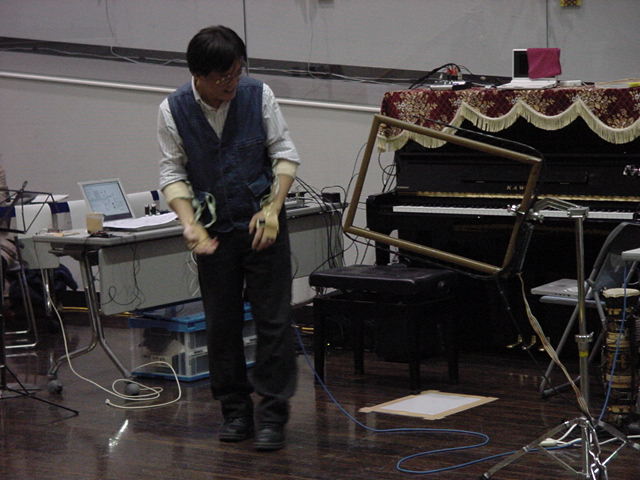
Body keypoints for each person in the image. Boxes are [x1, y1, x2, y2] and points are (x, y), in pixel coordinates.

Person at [157, 26, 299, 451]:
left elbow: (284, 154)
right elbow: (172, 171)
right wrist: (189, 223)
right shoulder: (172, 110)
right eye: (223, 77)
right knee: (221, 324)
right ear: (198, 75)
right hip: (213, 230)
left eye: (237, 72)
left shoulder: (259, 95)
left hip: (261, 223)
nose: (232, 83)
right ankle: (235, 411)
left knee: (274, 321)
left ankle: (273, 415)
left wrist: (272, 209)